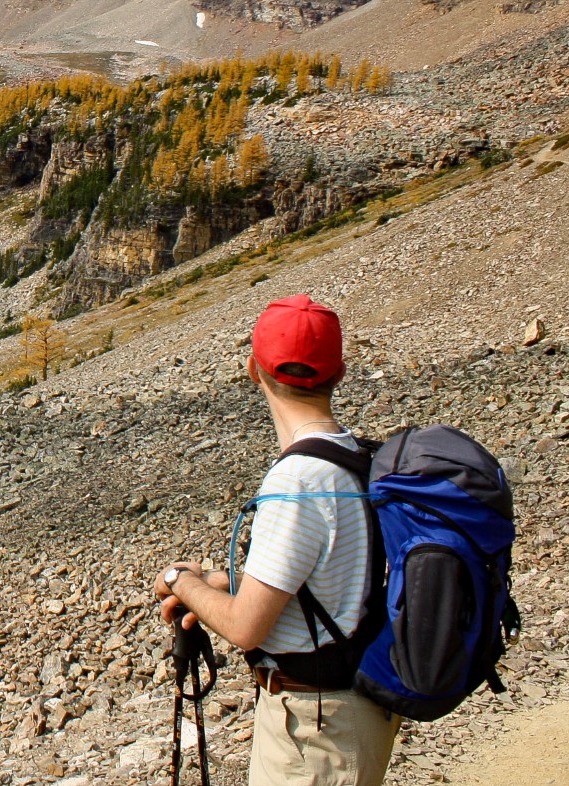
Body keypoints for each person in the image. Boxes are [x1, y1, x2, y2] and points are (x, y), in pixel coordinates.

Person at [152, 295, 401, 786]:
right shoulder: (355, 459)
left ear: (254, 370)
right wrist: (219, 583)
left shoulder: (298, 483)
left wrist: (181, 582)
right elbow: (317, 579)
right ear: (340, 373)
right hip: (341, 713)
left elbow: (247, 628)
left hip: (315, 729)